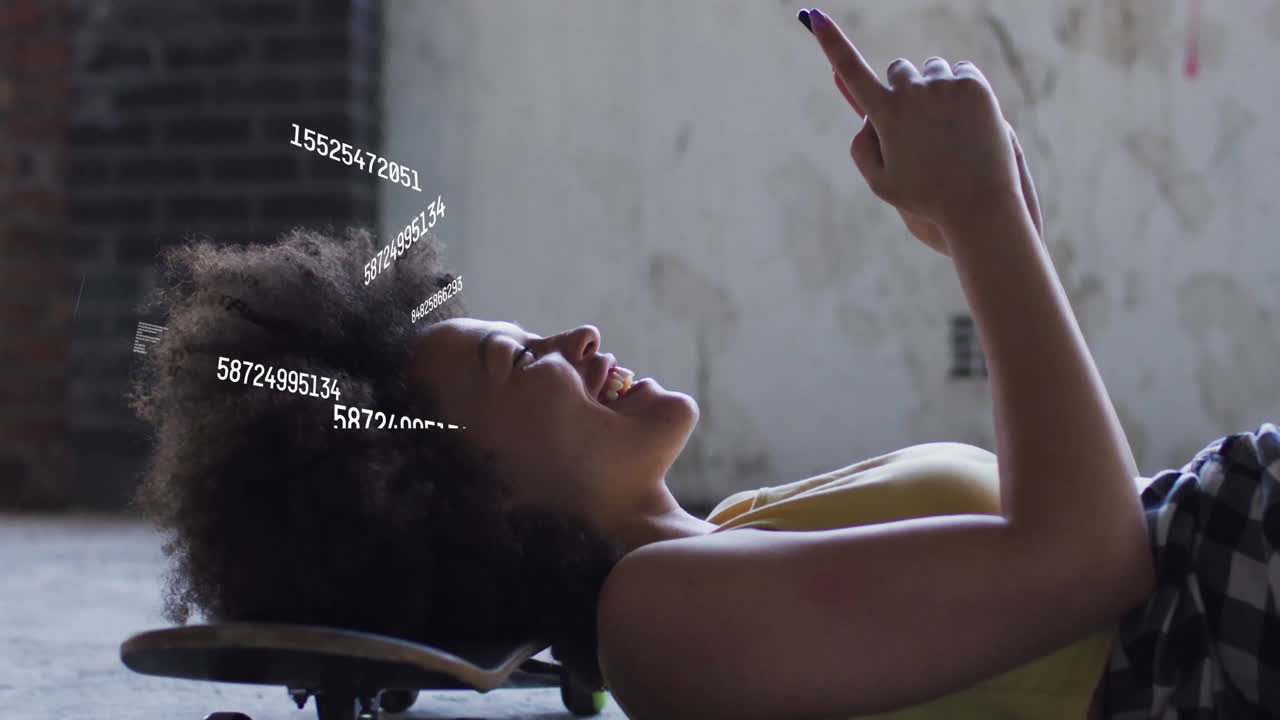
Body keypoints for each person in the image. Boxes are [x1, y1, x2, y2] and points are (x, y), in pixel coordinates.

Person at [130, 8, 1280, 719]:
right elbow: (1094, 563)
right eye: (515, 360)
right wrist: (984, 222)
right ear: (472, 495)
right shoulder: (661, 626)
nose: (572, 338)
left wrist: (990, 220)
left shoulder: (730, 535)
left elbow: (1087, 531)